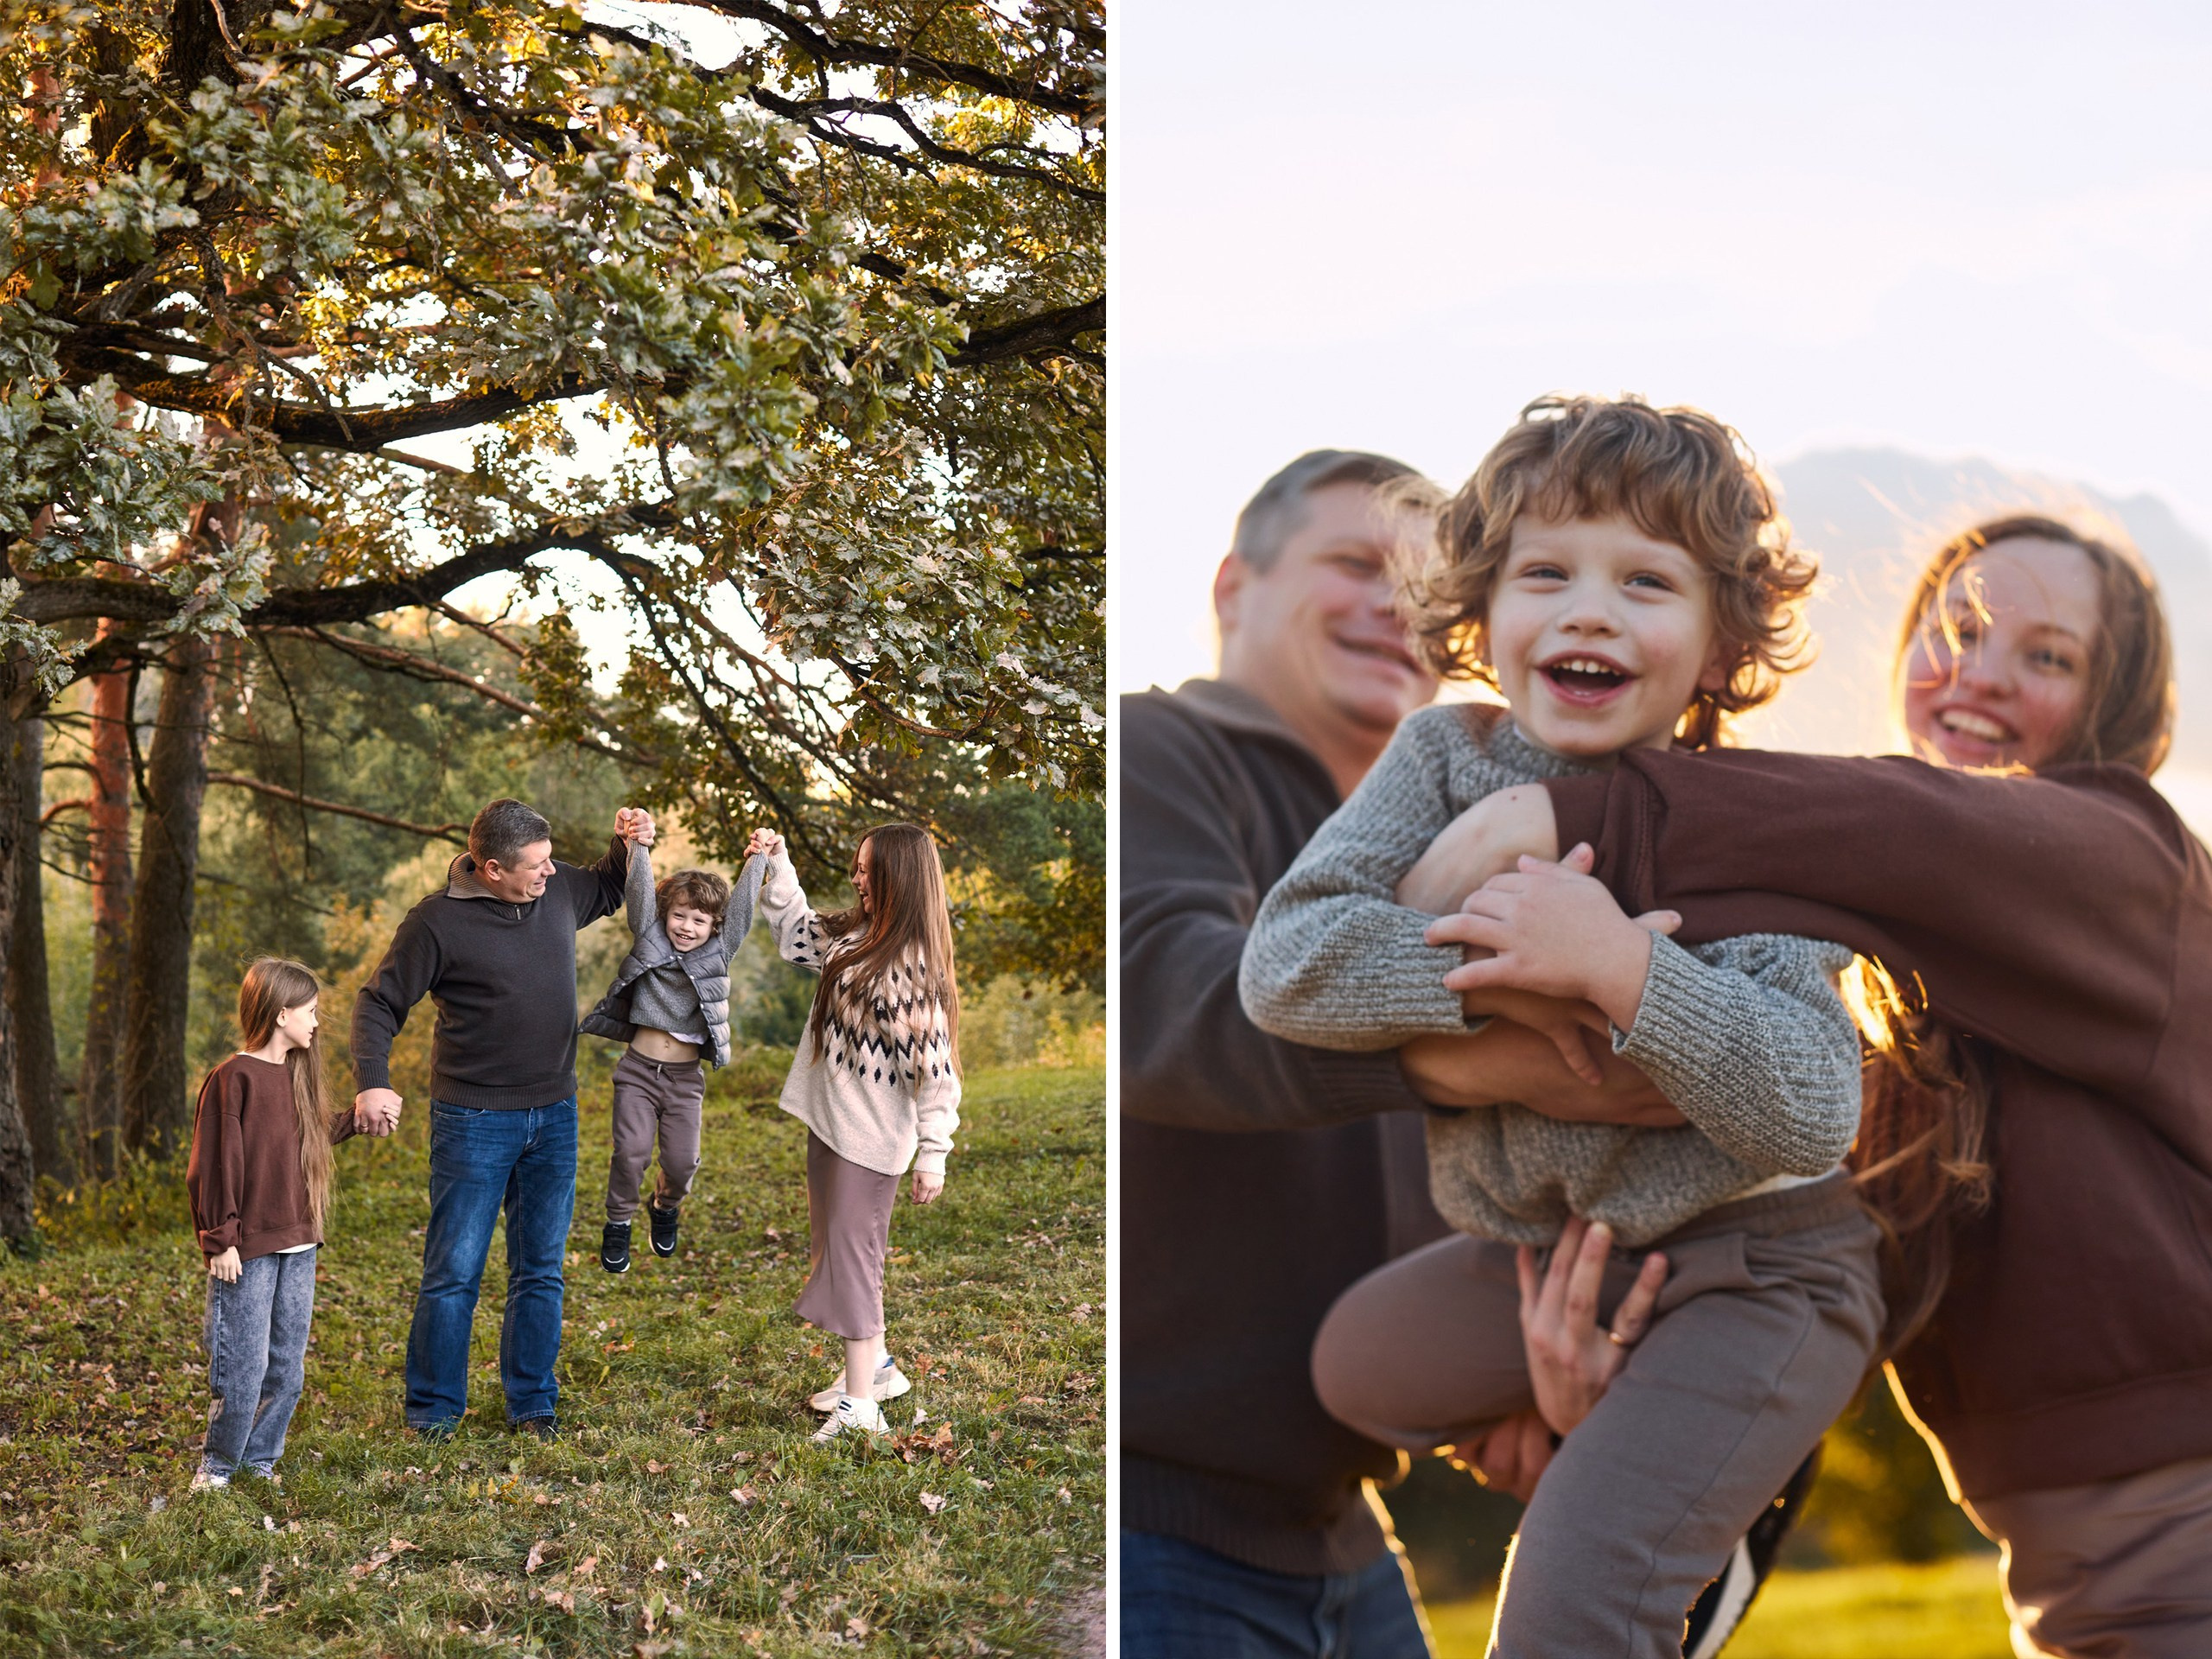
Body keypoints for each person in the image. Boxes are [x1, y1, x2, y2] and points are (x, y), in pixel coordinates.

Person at [1447, 514, 2212, 1657]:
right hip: (2073, 1605)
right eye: (1953, 631)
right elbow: (1797, 1318)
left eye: (2045, 656)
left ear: (2116, 704)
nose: (1977, 675)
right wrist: (1607, 1413)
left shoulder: (2134, 867)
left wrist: (1553, 815)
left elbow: (1898, 831)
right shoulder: (1877, 1014)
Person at [1241, 395, 1881, 1659]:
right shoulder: (1441, 760)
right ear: (1483, 614)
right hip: (1558, 1249)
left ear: (1716, 644)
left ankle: (1680, 1478)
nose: (1589, 610)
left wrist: (1629, 979)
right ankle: (1627, 1426)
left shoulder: (1753, 816)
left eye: (1646, 581)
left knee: (1570, 1613)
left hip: (1757, 1262)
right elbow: (1286, 965)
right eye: (1547, 573)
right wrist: (1517, 979)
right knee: (1355, 1366)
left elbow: (1814, 1101)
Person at [1122, 448, 1673, 1659]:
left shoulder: (1458, 828)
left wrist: (1512, 1383)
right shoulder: (1155, 751)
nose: (1394, 604)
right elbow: (1165, 998)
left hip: (1346, 1537)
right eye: (1353, 564)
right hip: (1153, 1531)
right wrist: (1479, 1043)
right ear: (1231, 586)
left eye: (1425, 589)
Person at [352, 797, 649, 1440]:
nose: (549, 874)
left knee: (540, 1267)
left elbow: (605, 884)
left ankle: (532, 1404)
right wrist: (373, 1084)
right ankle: (433, 1412)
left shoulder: (557, 888)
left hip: (556, 1113)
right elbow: (377, 1004)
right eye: (535, 866)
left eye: (550, 862)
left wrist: (629, 841)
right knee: (454, 1271)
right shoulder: (434, 924)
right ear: (490, 868)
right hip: (473, 1120)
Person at [746, 821, 960, 1443]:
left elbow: (938, 1073)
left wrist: (934, 1154)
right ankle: (879, 1370)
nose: (857, 878)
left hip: (870, 1142)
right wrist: (779, 863)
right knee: (840, 1254)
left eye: (868, 870)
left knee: (854, 1260)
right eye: (857, 867)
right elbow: (795, 933)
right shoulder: (858, 938)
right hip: (833, 1127)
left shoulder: (909, 968)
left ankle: (861, 1405)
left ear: (898, 877)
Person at [186, 957, 391, 1491]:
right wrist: (220, 1238)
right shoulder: (232, 1080)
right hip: (246, 1248)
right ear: (281, 1015)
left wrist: (358, 1120)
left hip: (299, 1243)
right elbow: (214, 1163)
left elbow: (301, 1140)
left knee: (286, 1368)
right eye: (311, 1011)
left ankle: (259, 1462)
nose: (317, 1022)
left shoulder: (294, 1076)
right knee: (241, 1366)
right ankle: (217, 1469)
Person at [579, 841, 766, 1274]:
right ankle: (619, 1222)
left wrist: (758, 856)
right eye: (679, 915)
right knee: (631, 1153)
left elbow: (740, 908)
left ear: (714, 926)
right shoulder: (650, 938)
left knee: (682, 1164)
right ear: (665, 916)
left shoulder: (719, 953)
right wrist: (638, 845)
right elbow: (641, 890)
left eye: (699, 920)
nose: (686, 926)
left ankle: (664, 1206)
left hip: (684, 1081)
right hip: (638, 1074)